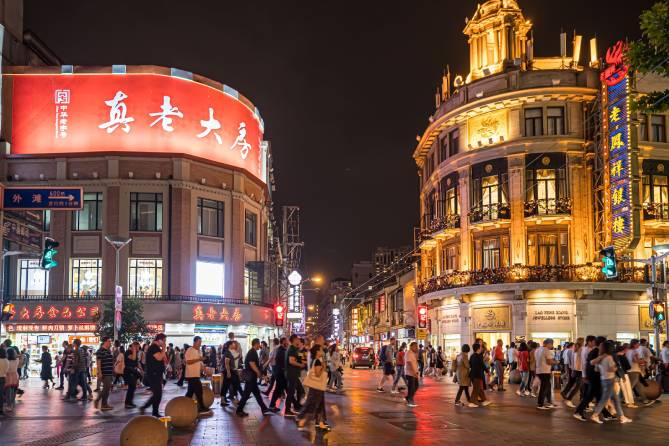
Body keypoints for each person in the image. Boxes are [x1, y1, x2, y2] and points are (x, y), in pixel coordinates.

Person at [590, 341, 632, 424]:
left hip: (603, 379)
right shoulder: (609, 357)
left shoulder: (600, 358)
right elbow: (612, 369)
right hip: (610, 380)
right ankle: (595, 415)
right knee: (604, 399)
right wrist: (616, 367)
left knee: (616, 400)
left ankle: (622, 416)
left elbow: (596, 369)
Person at [236, 338, 273, 417]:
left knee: (257, 394)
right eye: (259, 344)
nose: (260, 345)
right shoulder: (252, 352)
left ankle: (264, 408)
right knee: (246, 395)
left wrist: (260, 373)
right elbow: (252, 364)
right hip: (251, 377)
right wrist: (258, 372)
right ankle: (239, 410)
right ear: (256, 343)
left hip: (252, 377)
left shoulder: (253, 352)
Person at [297, 344, 329, 430]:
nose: (322, 352)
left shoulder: (316, 360)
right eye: (321, 350)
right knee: (312, 404)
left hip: (318, 386)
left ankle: (321, 422)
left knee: (320, 404)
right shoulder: (317, 361)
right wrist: (323, 365)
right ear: (317, 352)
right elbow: (318, 374)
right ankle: (301, 418)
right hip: (316, 386)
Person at [141, 333, 168, 417]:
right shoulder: (153, 348)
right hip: (153, 374)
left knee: (157, 394)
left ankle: (151, 410)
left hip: (157, 374)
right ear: (159, 340)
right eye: (164, 341)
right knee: (157, 394)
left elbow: (163, 358)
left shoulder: (157, 348)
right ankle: (152, 411)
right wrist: (164, 349)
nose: (165, 343)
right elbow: (159, 358)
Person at [184, 336, 209, 415]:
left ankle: (183, 405)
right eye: (199, 342)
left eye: (201, 342)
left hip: (196, 374)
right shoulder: (190, 350)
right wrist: (199, 359)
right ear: (194, 342)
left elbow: (200, 363)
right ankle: (201, 407)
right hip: (191, 374)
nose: (200, 344)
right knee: (199, 391)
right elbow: (188, 362)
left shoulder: (199, 351)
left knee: (190, 392)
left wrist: (204, 370)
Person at [626, 339, 655, 405]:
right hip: (634, 370)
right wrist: (643, 361)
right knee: (631, 386)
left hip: (630, 370)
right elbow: (635, 360)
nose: (639, 345)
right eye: (638, 343)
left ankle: (645, 400)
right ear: (634, 344)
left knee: (639, 386)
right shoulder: (634, 352)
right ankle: (624, 399)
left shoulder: (628, 351)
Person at [284, 334, 306, 417]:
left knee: (300, 390)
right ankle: (287, 410)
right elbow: (291, 361)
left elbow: (302, 359)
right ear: (293, 340)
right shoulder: (291, 349)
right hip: (291, 373)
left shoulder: (295, 349)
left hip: (294, 373)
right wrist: (300, 365)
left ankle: (297, 406)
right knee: (291, 392)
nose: (298, 340)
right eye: (297, 339)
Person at [94, 337, 115, 411]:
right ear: (105, 342)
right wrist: (99, 372)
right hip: (104, 372)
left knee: (107, 388)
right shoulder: (100, 351)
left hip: (109, 372)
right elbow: (98, 362)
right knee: (106, 388)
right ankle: (98, 401)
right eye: (109, 341)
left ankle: (104, 404)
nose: (110, 343)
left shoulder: (108, 351)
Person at [269, 337, 289, 410]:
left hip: (281, 373)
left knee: (285, 390)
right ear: (283, 341)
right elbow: (283, 363)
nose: (288, 342)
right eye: (287, 341)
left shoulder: (282, 350)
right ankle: (272, 406)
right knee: (279, 390)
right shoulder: (281, 350)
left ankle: (294, 405)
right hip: (281, 374)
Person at [469, 343, 490, 407]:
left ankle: (484, 400)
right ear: (478, 349)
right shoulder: (477, 356)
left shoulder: (473, 356)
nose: (481, 348)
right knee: (476, 389)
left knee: (479, 388)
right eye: (480, 347)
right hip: (476, 375)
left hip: (473, 375)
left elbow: (470, 364)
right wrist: (487, 371)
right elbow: (482, 365)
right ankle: (472, 402)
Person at [124, 341, 141, 408]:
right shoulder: (128, 352)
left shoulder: (135, 353)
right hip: (128, 371)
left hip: (133, 371)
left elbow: (136, 362)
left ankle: (130, 402)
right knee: (131, 387)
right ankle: (127, 403)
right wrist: (134, 349)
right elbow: (133, 358)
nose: (138, 349)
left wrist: (140, 369)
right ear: (134, 346)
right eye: (137, 347)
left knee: (133, 387)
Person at [405, 341, 419, 407]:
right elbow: (410, 363)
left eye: (417, 347)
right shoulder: (408, 353)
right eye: (415, 346)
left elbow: (415, 362)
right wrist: (414, 372)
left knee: (415, 386)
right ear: (411, 347)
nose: (417, 348)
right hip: (410, 373)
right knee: (412, 387)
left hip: (414, 373)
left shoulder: (413, 353)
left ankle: (408, 397)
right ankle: (410, 401)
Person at [0, 348, 8, 416]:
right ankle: (1, 410)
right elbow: (6, 371)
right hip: (2, 378)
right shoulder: (6, 360)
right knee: (1, 394)